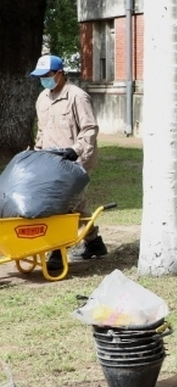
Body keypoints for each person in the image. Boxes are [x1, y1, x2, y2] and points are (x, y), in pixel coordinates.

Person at [30, 54, 105, 271]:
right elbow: (42, 131)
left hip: (77, 160)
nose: (44, 79)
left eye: (47, 75)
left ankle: (57, 251)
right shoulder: (42, 98)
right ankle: (95, 243)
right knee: (77, 204)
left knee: (64, 204)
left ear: (60, 74)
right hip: (51, 162)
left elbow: (90, 128)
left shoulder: (77, 97)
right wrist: (37, 155)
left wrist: (76, 150)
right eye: (40, 76)